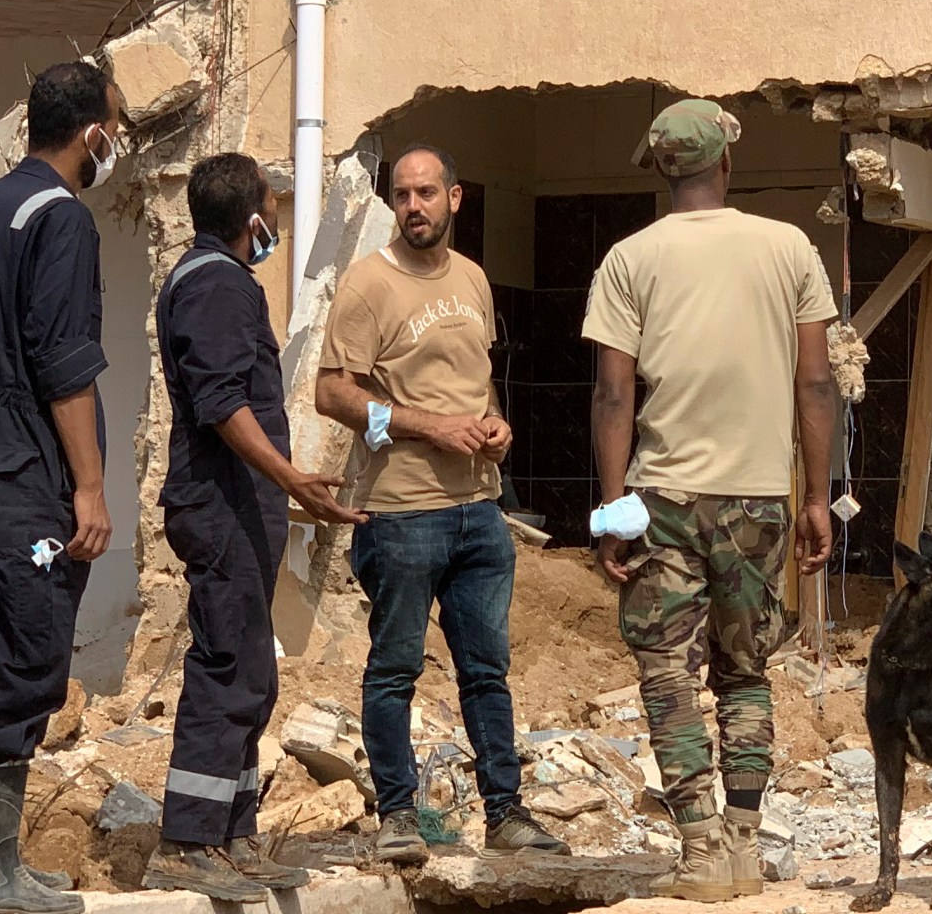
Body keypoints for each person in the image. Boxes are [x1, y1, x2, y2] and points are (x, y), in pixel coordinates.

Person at [584, 99, 839, 903]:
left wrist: (612, 509)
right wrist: (819, 498)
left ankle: (698, 851)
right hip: (759, 494)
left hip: (662, 495)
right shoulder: (789, 247)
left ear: (662, 171)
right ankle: (746, 842)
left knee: (666, 669)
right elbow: (818, 383)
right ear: (726, 165)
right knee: (746, 668)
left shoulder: (628, 258)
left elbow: (612, 397)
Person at [315, 146, 568, 864]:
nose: (414, 206)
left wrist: (495, 425)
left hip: (480, 513)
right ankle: (397, 815)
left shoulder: (474, 280)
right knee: (395, 668)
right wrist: (425, 424)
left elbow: (477, 382)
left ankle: (506, 813)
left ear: (456, 197)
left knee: (486, 670)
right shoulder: (367, 286)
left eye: (427, 193)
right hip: (400, 514)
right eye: (402, 195)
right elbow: (332, 394)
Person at [143, 154, 367, 902]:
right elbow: (221, 401)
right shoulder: (216, 283)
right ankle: (188, 840)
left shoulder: (212, 278)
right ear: (252, 218)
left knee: (252, 670)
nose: (276, 220)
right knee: (227, 664)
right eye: (274, 206)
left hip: (240, 502)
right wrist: (289, 475)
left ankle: (232, 831)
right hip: (222, 501)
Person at [0, 63, 125, 913]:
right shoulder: (63, 220)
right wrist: (90, 485)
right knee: (26, 660)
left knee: (17, 655)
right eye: (114, 127)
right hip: (28, 475)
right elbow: (65, 364)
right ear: (90, 132)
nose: (115, 143)